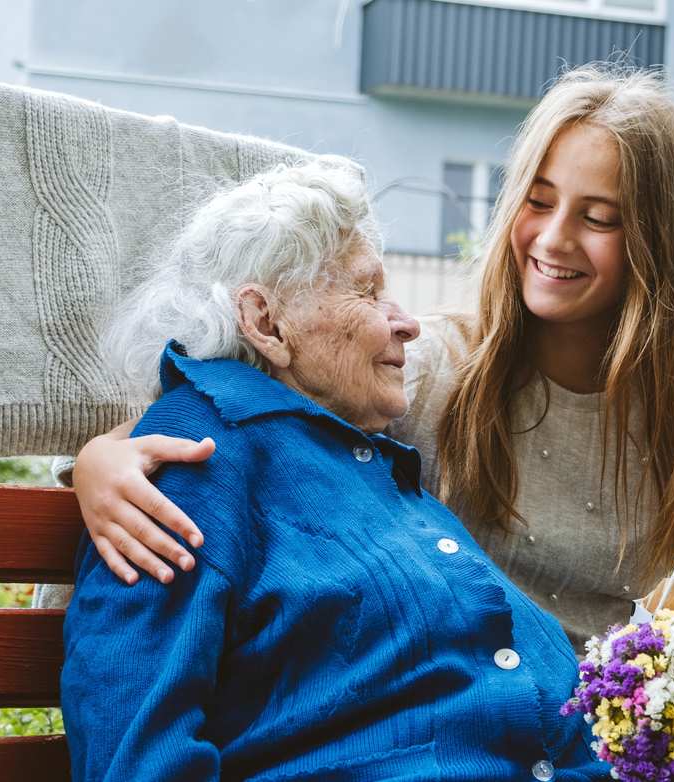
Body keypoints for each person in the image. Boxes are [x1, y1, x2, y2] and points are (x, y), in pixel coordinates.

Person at [65, 65, 674, 649]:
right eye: (539, 200)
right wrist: (104, 455)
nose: (552, 240)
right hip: (472, 731)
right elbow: (242, 410)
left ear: (659, 244)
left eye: (598, 218)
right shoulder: (434, 367)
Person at [62, 160, 610, 781]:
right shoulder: (193, 464)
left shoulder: (356, 460)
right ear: (266, 322)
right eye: (369, 290)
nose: (405, 322)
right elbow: (133, 756)